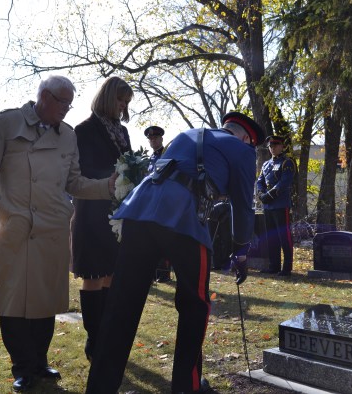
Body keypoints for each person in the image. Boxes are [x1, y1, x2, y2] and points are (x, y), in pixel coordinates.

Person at [85, 112, 265, 394]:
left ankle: (100, 388)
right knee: (195, 305)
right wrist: (241, 250)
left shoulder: (188, 135)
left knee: (121, 304)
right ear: (246, 138)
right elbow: (242, 205)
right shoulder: (242, 151)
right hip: (184, 219)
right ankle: (187, 386)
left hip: (140, 212)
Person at [0, 75, 116, 393]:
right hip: (14, 226)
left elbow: (75, 183)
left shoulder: (67, 136)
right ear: (45, 97)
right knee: (11, 301)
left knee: (45, 302)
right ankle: (22, 368)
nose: (67, 109)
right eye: (63, 102)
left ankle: (39, 362)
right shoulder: (6, 122)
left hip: (52, 228)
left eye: (70, 103)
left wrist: (108, 186)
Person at [70, 76, 133, 363]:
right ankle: (94, 339)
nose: (122, 107)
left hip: (116, 213)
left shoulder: (123, 132)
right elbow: (83, 169)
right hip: (91, 211)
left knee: (112, 274)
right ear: (108, 97)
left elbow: (129, 163)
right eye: (120, 100)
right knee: (93, 276)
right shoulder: (83, 130)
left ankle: (107, 335)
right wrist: (116, 175)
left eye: (126, 102)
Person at [256, 135, 296, 276]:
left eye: (275, 145)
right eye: (270, 146)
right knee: (271, 237)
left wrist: (270, 194)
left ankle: (287, 268)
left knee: (284, 237)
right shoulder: (266, 164)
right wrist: (261, 194)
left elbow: (284, 182)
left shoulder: (287, 162)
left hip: (280, 204)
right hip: (268, 206)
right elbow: (260, 181)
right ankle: (274, 266)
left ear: (282, 146)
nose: (272, 148)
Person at [144, 125, 172, 282]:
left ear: (161, 138)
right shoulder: (149, 159)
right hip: (150, 202)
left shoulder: (168, 155)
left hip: (163, 202)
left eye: (155, 138)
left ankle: (164, 272)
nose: (153, 140)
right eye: (151, 139)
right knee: (152, 238)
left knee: (163, 237)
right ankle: (154, 271)